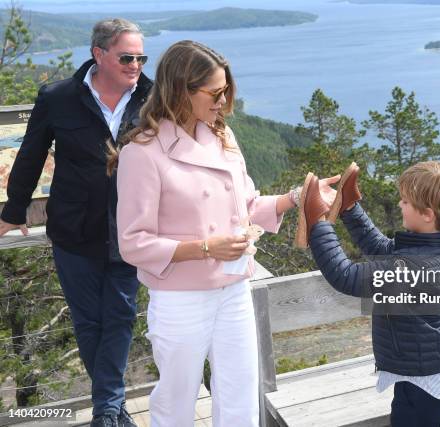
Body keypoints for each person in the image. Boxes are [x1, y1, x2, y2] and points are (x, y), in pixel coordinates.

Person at [113, 40, 336, 427]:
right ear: (182, 89)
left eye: (227, 91)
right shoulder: (143, 153)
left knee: (241, 396)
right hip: (180, 299)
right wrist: (204, 248)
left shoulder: (222, 137)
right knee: (176, 402)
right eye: (216, 94)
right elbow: (133, 243)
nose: (224, 102)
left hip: (234, 290)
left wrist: (298, 197)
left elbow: (246, 206)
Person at [0, 18, 152, 427]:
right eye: (126, 56)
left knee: (120, 315)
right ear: (98, 54)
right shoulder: (59, 97)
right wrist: (12, 213)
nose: (136, 64)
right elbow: (30, 155)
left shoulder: (153, 98)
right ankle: (114, 410)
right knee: (89, 321)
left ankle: (105, 411)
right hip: (72, 228)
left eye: (141, 56)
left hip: (131, 229)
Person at [297, 161, 440, 427]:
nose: (400, 205)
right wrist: (350, 210)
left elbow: (346, 276)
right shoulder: (437, 245)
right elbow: (381, 248)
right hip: (429, 367)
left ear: (427, 215)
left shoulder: (415, 267)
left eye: (405, 201)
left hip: (423, 380)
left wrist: (319, 226)